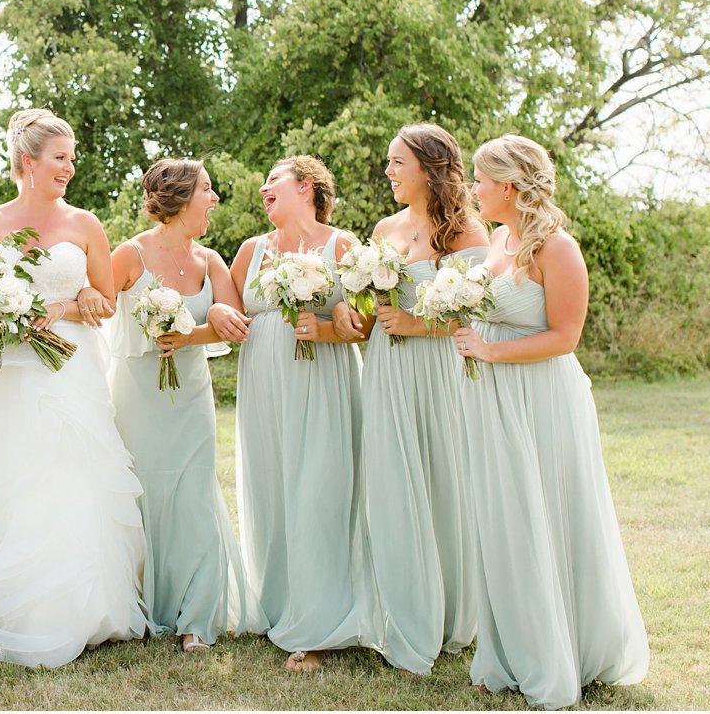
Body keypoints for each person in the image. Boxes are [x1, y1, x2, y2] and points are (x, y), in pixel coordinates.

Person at [0, 107, 149, 668]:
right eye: (60, 157)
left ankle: (76, 604)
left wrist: (68, 304)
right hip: (6, 374)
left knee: (68, 475)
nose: (69, 167)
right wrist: (1, 319)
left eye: (70, 158)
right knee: (11, 471)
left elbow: (105, 301)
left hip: (69, 369)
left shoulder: (86, 224)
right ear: (27, 162)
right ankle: (5, 603)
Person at [452, 135, 649, 708]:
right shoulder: (496, 237)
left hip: (541, 398)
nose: (473, 190)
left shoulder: (557, 248)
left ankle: (568, 648)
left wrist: (489, 352)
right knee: (505, 514)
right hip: (491, 397)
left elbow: (566, 337)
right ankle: (513, 647)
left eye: (481, 182)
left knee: (547, 512)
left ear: (508, 187)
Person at [333, 122, 489, 675]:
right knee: (393, 484)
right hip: (388, 368)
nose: (389, 172)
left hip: (440, 372)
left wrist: (418, 326)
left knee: (443, 481)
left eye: (398, 162)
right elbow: (377, 306)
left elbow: (475, 314)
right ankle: (404, 614)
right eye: (389, 163)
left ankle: (450, 615)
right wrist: (357, 317)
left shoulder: (468, 233)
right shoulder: (385, 227)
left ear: (429, 167)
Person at [106, 158, 266, 651]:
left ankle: (198, 616)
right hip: (137, 394)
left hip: (192, 395)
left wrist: (195, 328)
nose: (215, 199)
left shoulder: (211, 260)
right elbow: (93, 310)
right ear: (179, 198)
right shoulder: (129, 255)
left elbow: (235, 325)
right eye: (208, 190)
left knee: (194, 495)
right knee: (145, 494)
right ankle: (145, 602)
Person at [229, 155, 366, 672]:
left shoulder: (342, 246)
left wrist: (332, 325)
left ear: (305, 186)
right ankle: (279, 605)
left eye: (273, 181)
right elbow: (228, 315)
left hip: (323, 382)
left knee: (319, 491)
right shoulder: (250, 250)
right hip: (263, 386)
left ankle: (317, 626)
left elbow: (363, 326)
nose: (263, 189)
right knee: (273, 490)